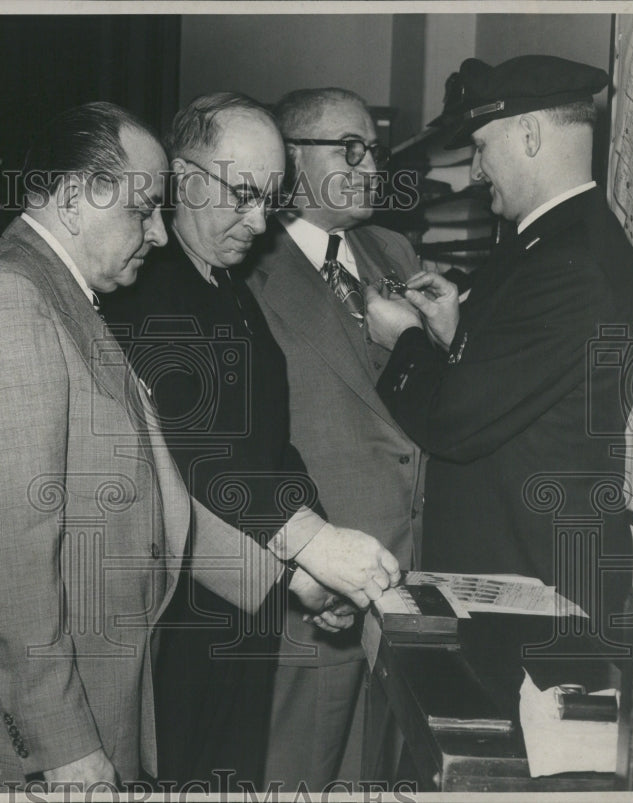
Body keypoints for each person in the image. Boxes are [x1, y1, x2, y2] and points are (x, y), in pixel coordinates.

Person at [0, 101, 398, 793]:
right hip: (39, 741)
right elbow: (8, 568)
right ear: (79, 195)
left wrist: (293, 575)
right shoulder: (5, 297)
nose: (156, 231)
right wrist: (62, 744)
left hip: (97, 706)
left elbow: (157, 503)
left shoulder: (66, 296)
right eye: (145, 209)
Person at [102, 92, 401, 790]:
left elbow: (270, 442)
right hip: (170, 630)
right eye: (242, 194)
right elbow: (199, 447)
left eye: (269, 198)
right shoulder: (147, 290)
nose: (259, 220)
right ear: (184, 177)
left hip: (240, 616)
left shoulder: (227, 283)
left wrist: (308, 569)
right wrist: (312, 543)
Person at [365, 55, 633, 635]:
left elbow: (454, 421)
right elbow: (520, 373)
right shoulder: (547, 240)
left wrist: (406, 338)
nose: (474, 170)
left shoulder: (572, 264)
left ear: (528, 133)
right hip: (513, 573)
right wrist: (453, 331)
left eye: (480, 146)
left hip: (538, 585)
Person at [241, 87, 425, 790]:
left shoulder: (395, 251)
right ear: (289, 160)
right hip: (312, 585)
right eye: (348, 148)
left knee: (373, 771)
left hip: (403, 578)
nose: (370, 163)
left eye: (372, 148)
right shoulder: (246, 265)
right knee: (295, 771)